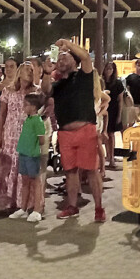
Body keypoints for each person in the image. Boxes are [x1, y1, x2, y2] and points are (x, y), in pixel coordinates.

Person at [50, 38, 106, 222]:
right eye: (59, 58)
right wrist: (47, 71)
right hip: (65, 133)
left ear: (75, 61)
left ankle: (99, 208)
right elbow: (44, 90)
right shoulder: (57, 85)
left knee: (91, 170)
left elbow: (85, 57)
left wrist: (67, 43)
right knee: (70, 172)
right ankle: (72, 206)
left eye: (65, 57)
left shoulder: (84, 76)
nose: (61, 60)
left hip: (85, 130)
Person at [0, 61, 38, 212]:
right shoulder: (8, 91)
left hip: (28, 133)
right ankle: (10, 201)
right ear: (20, 72)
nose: (30, 72)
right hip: (11, 133)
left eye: (32, 70)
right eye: (27, 70)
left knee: (25, 167)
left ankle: (25, 202)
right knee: (10, 167)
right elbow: (2, 114)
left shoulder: (36, 92)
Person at [9, 93, 47, 223]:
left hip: (32, 155)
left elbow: (42, 140)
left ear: (34, 107)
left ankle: (36, 210)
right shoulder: (28, 119)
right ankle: (23, 208)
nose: (23, 107)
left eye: (26, 105)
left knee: (36, 182)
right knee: (25, 181)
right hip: (23, 153)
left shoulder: (38, 121)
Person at [101, 61, 126, 169]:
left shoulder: (118, 83)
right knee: (104, 134)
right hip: (102, 108)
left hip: (113, 109)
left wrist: (119, 115)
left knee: (111, 134)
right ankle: (107, 155)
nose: (109, 71)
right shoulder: (101, 81)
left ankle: (111, 158)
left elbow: (120, 100)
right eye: (107, 68)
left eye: (111, 69)